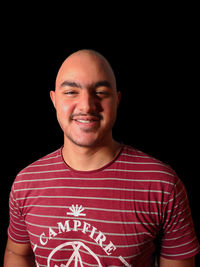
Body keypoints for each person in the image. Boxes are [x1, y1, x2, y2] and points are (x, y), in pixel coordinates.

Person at [4, 49, 199, 267]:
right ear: (54, 100)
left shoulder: (162, 185)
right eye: (71, 92)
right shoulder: (26, 182)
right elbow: (17, 252)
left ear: (116, 100)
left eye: (101, 92)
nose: (87, 105)